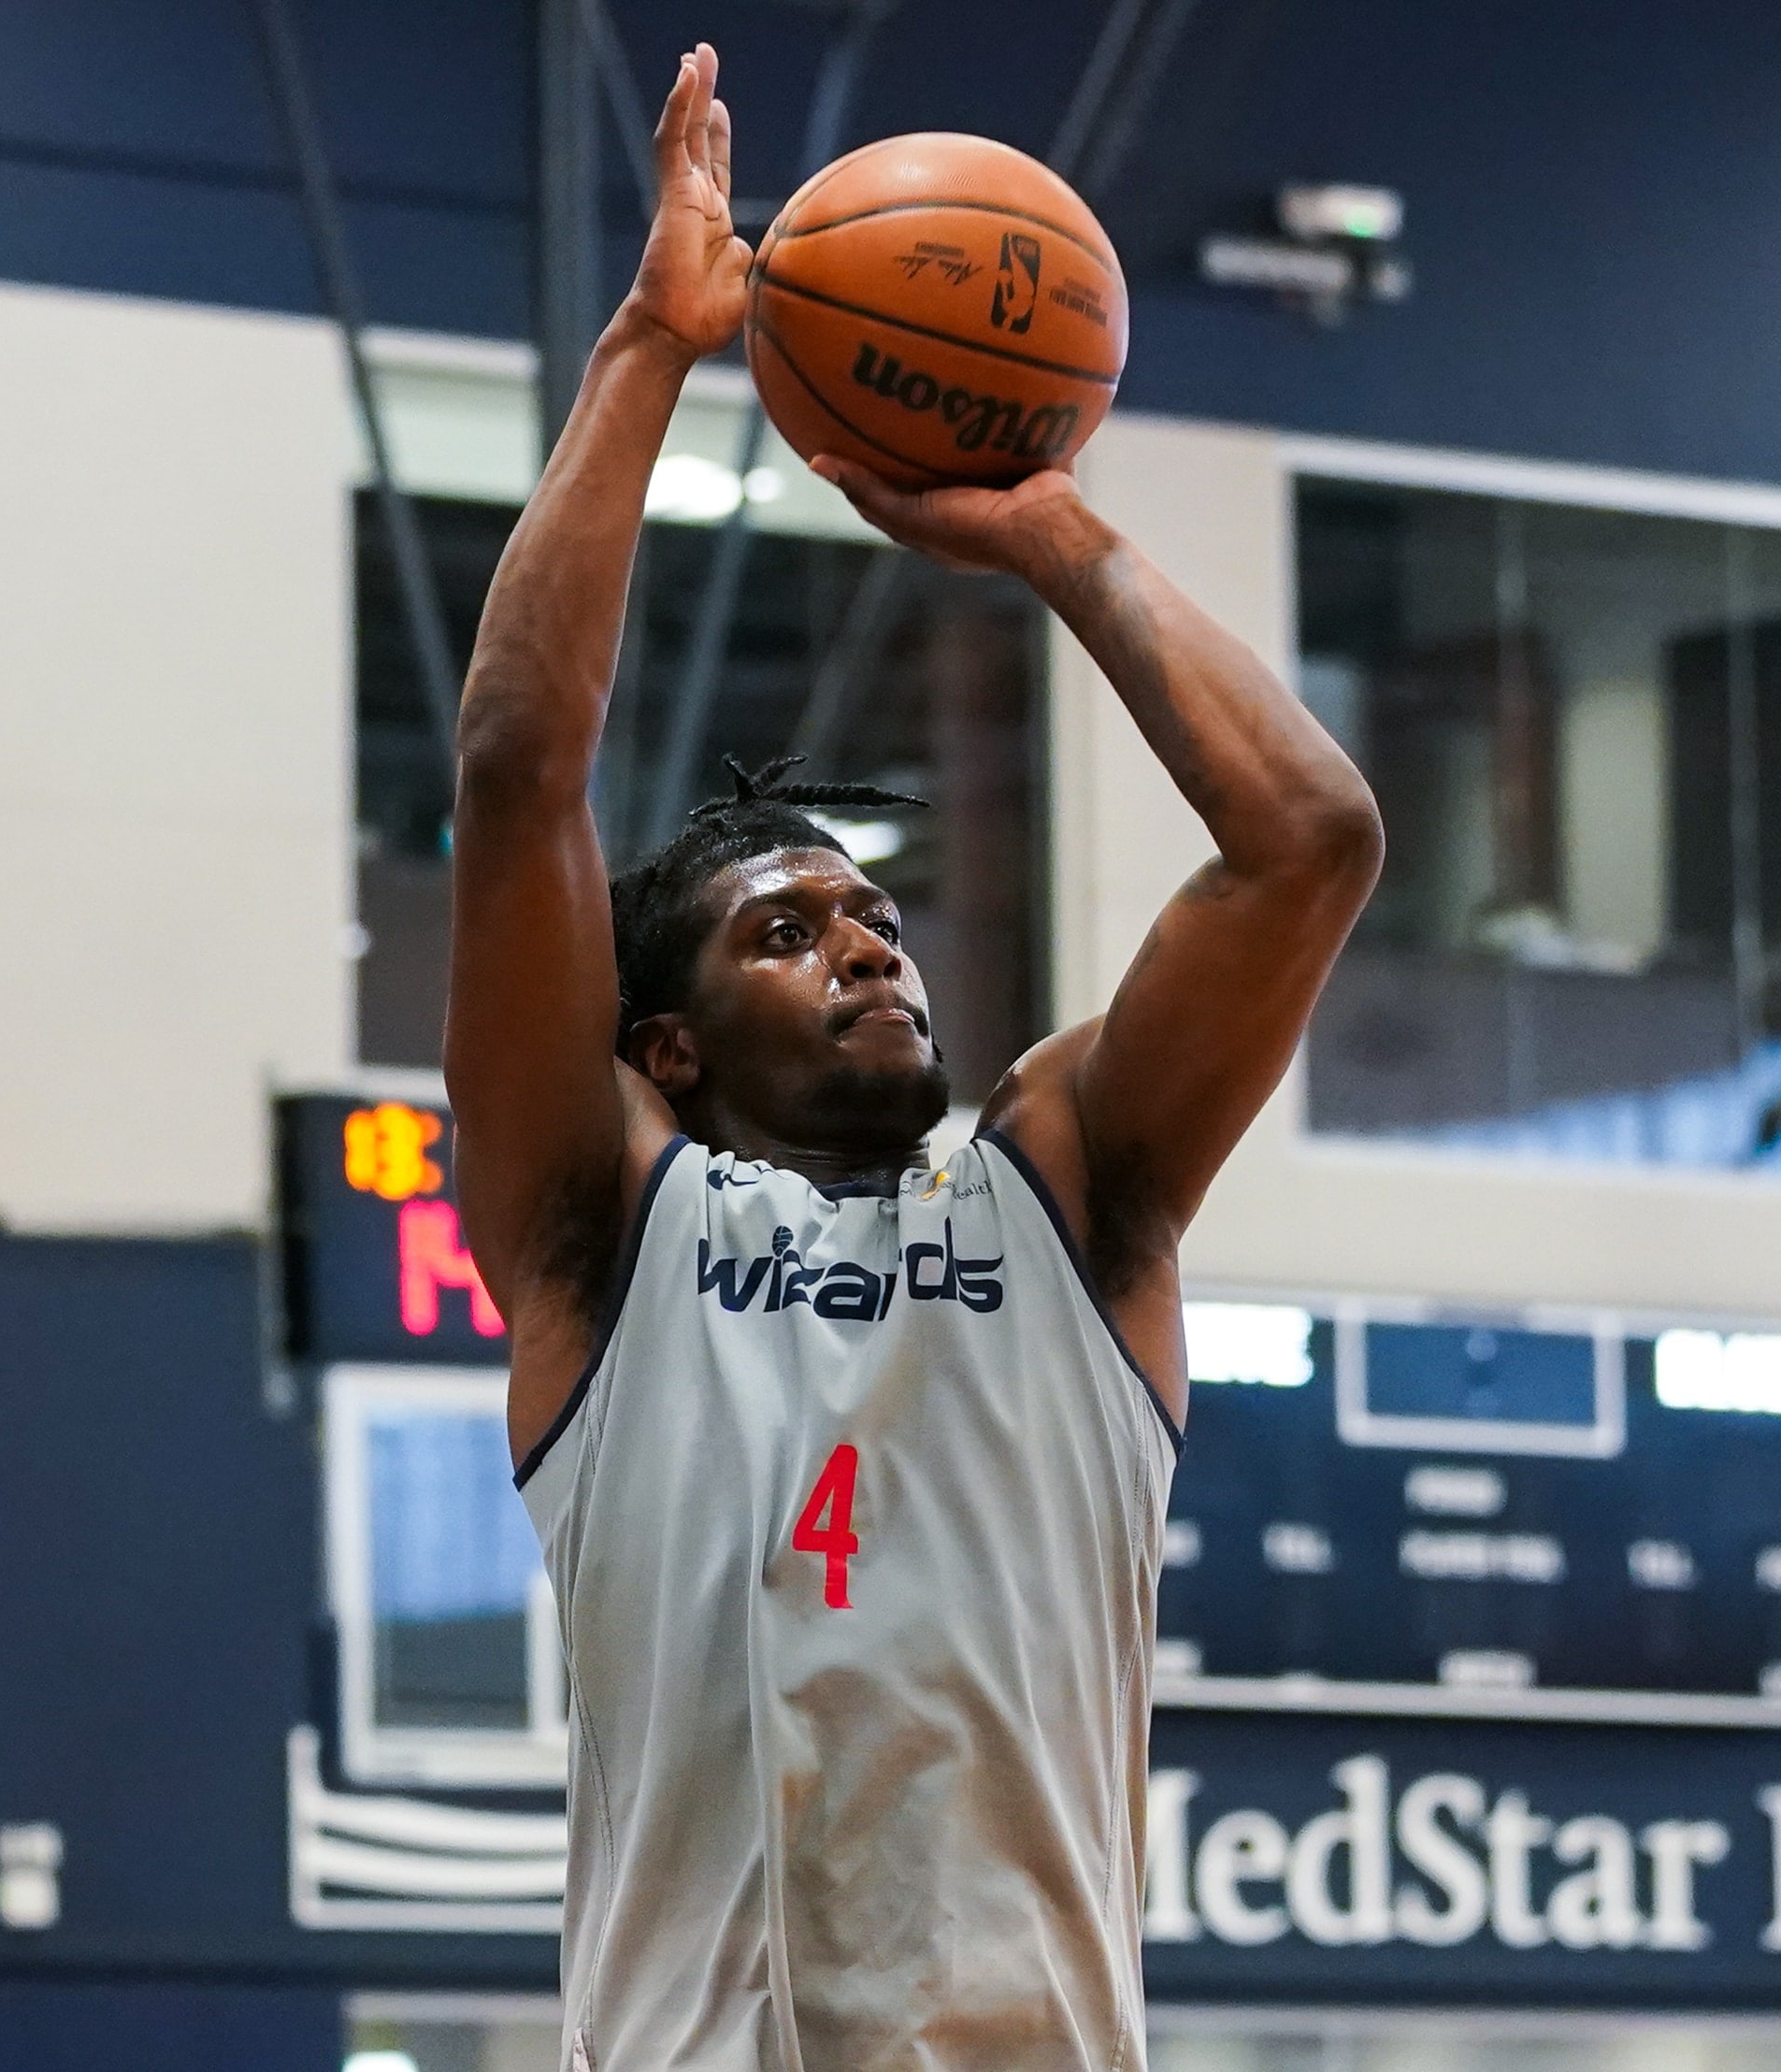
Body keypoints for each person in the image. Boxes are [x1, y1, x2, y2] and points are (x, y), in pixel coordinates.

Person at [447, 42, 1382, 2072]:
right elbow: (520, 773)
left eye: (873, 913)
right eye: (788, 930)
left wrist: (1055, 540)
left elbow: (1307, 840)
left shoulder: (1068, 1186)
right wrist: (646, 350)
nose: (864, 945)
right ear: (665, 1044)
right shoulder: (606, 1233)